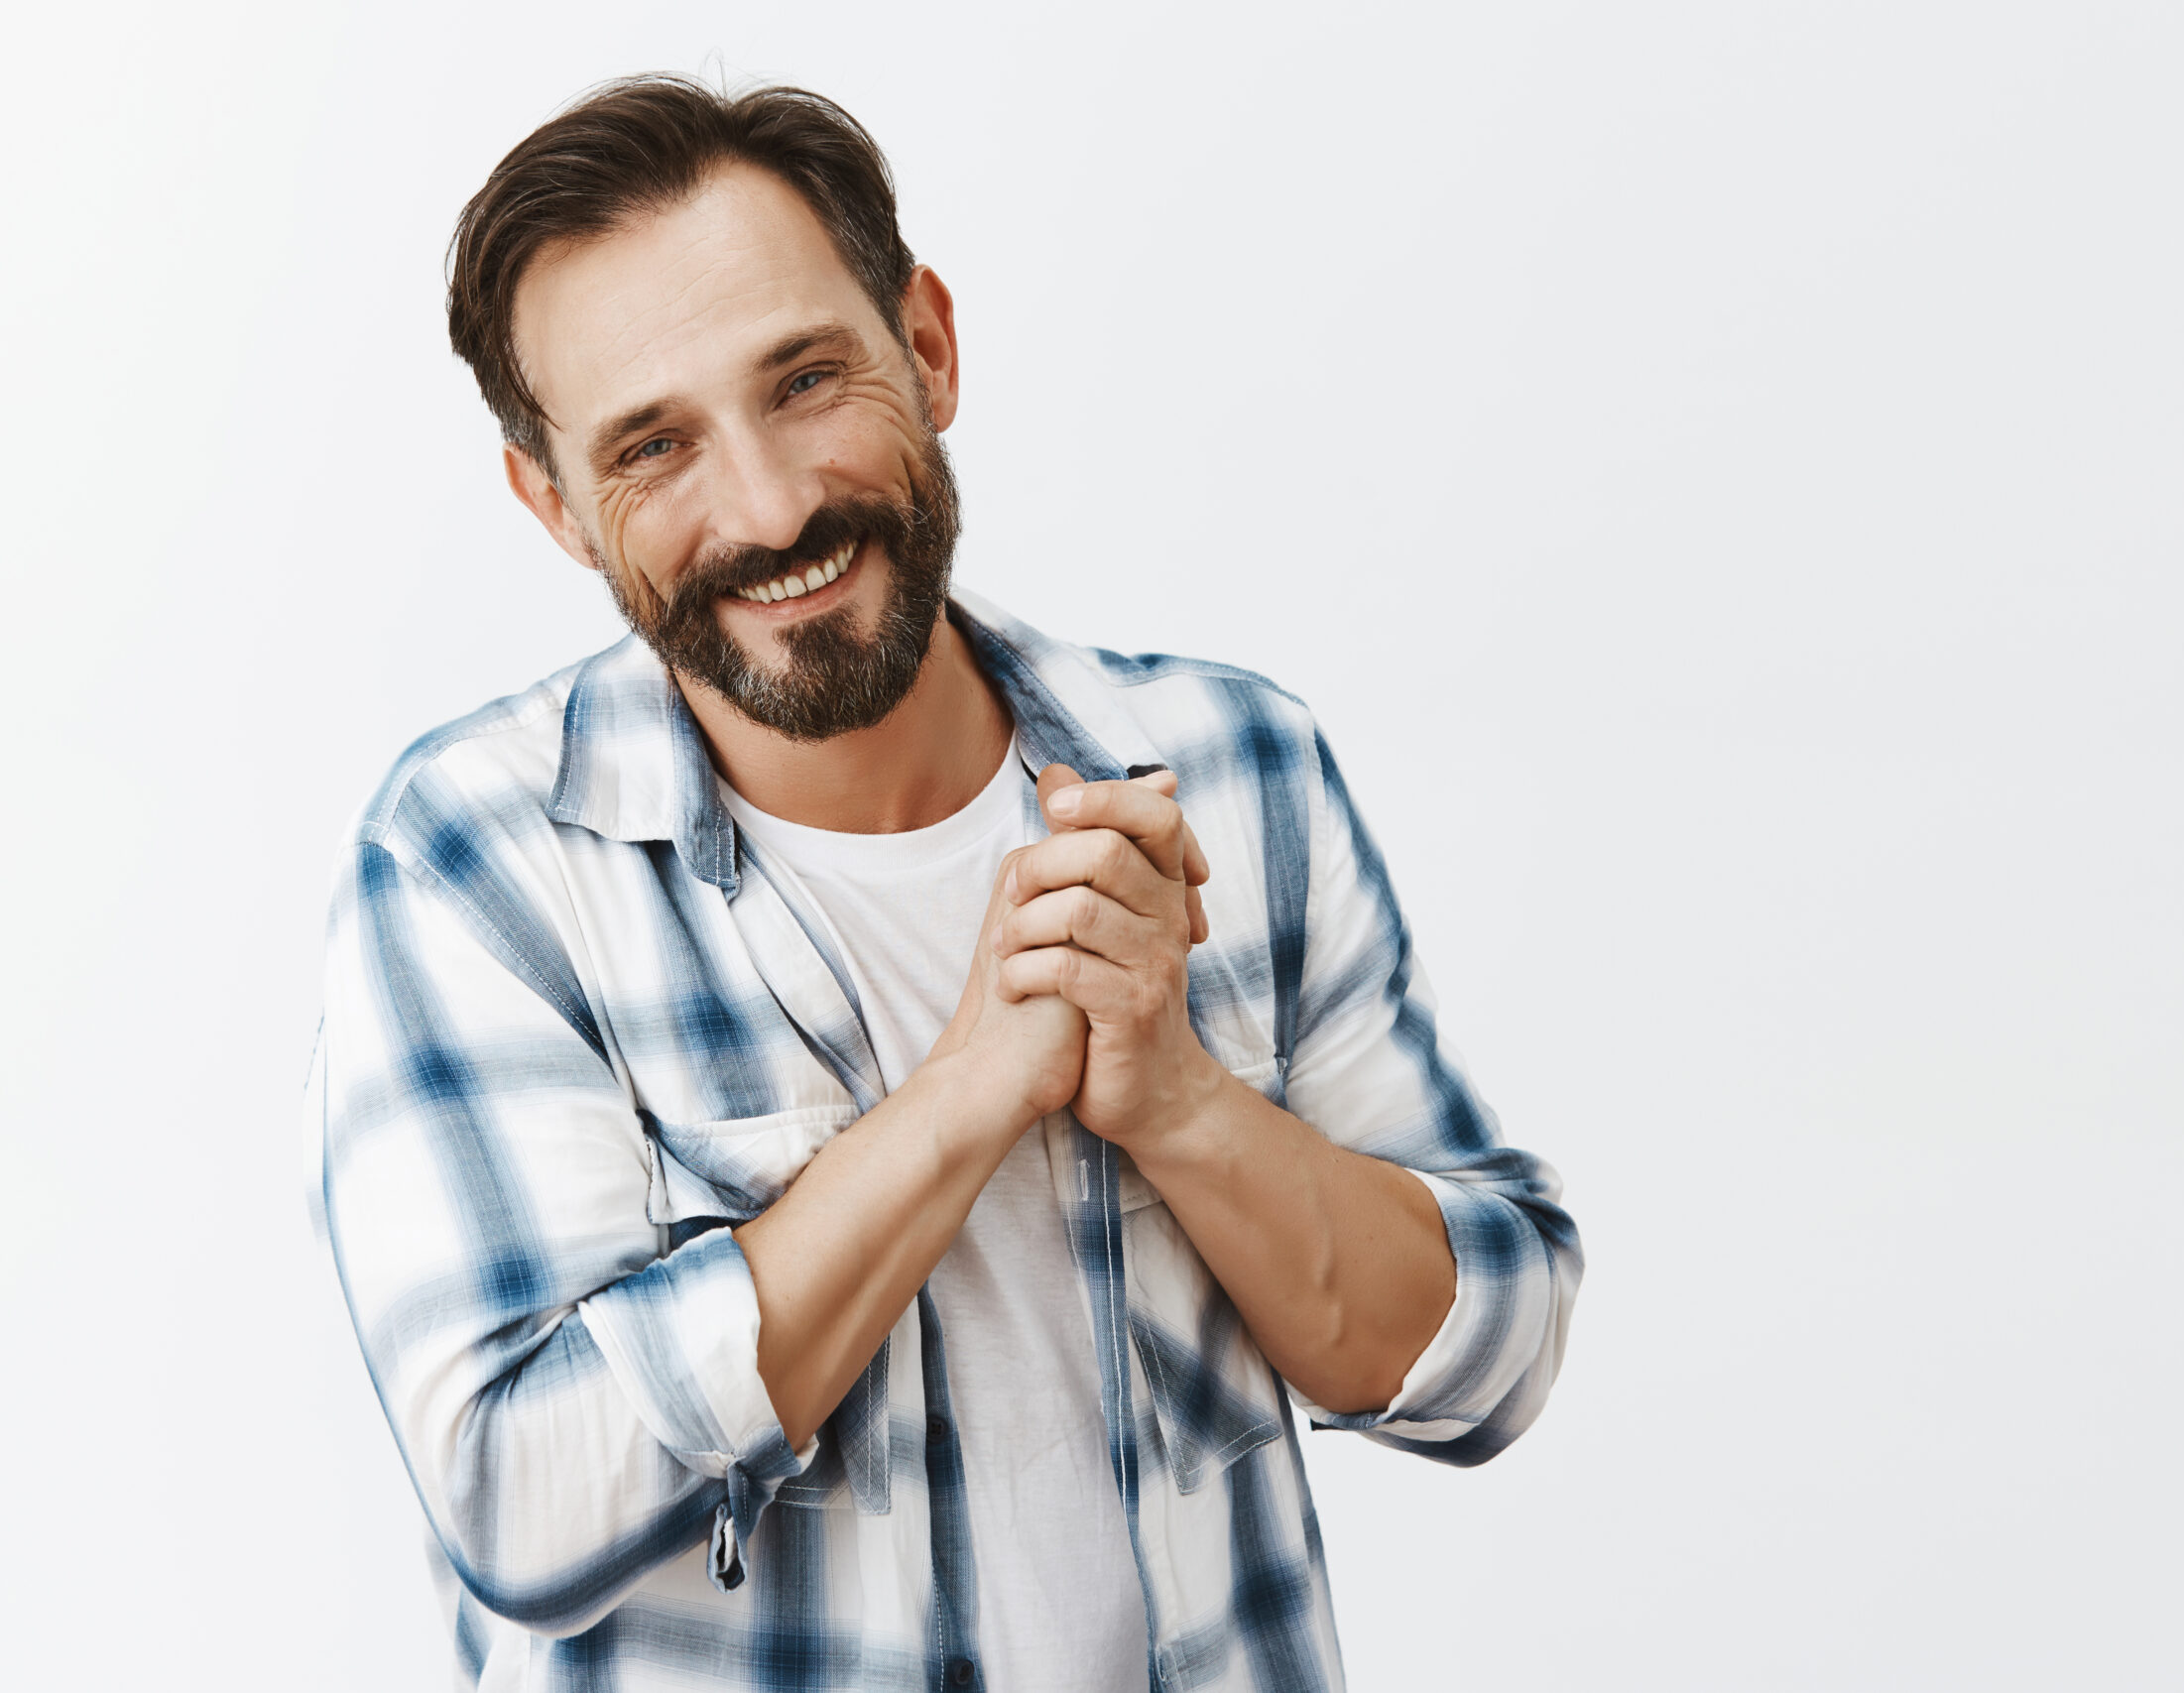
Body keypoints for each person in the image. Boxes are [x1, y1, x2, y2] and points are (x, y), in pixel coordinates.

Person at [306, 74, 1581, 1693]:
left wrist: (1183, 1105)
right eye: (654, 447)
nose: (770, 507)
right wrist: (971, 1090)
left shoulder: (1233, 763)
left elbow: (1489, 1362)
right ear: (554, 505)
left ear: (928, 346)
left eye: (806, 379)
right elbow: (521, 1505)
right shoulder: (473, 868)